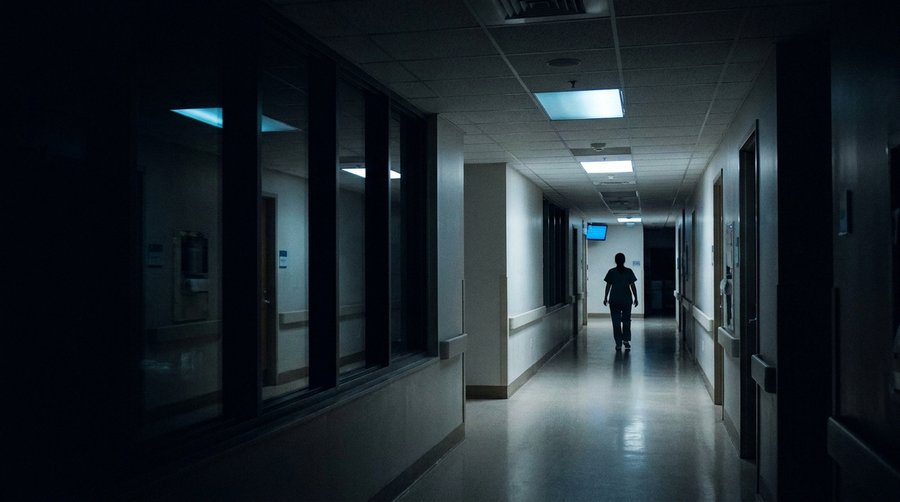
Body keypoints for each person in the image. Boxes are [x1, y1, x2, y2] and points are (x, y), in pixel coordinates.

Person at [603, 253, 639, 350]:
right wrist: (636, 297)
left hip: (614, 299)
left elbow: (608, 286)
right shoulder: (628, 272)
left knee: (616, 321)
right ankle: (626, 340)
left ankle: (618, 343)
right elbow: (632, 286)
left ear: (615, 261)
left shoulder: (611, 272)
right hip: (626, 299)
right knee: (626, 320)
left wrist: (605, 297)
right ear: (624, 260)